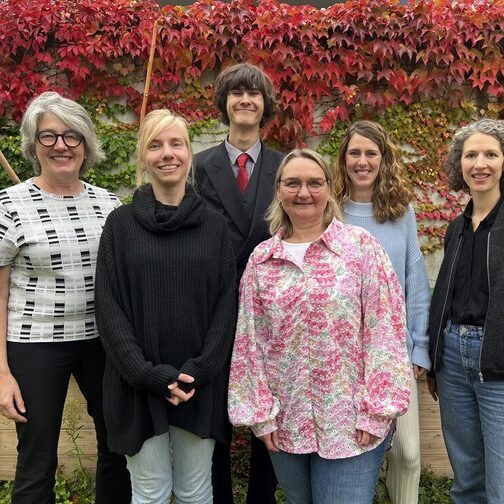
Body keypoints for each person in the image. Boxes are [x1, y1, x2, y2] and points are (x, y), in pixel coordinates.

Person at [228, 148, 411, 503]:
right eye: (292, 183)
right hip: (287, 423)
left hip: (351, 424)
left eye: (314, 183)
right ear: (279, 189)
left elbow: (385, 332)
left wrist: (377, 413)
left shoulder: (361, 249)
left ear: (329, 188)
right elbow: (249, 343)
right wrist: (261, 416)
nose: (304, 192)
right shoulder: (263, 260)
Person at [94, 109, 237, 504]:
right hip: (136, 385)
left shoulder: (214, 226)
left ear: (190, 153)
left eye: (176, 143)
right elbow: (109, 310)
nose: (166, 153)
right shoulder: (120, 226)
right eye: (155, 145)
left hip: (200, 385)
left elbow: (227, 308)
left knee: (195, 491)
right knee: (150, 492)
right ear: (143, 156)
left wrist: (198, 371)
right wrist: (148, 375)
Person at [0, 91, 131, 504]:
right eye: (49, 136)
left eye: (72, 136)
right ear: (33, 145)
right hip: (34, 345)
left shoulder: (109, 203)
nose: (61, 145)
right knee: (37, 455)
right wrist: (1, 373)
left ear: (86, 144)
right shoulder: (9, 205)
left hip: (101, 343)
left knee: (117, 444)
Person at [195, 62, 284, 504]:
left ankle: (263, 499)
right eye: (236, 93)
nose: (245, 99)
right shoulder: (196, 167)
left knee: (268, 409)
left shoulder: (288, 169)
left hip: (273, 312)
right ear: (224, 103)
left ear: (266, 105)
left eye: (254, 93)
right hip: (214, 310)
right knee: (217, 416)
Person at [333, 120, 431, 504]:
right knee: (354, 447)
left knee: (407, 454)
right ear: (343, 159)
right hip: (342, 357)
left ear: (383, 159)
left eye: (370, 153)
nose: (362, 161)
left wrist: (419, 348)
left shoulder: (400, 212)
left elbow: (416, 283)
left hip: (392, 352)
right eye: (354, 153)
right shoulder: (331, 211)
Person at [427, 119, 504, 504]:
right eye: (471, 155)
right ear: (460, 164)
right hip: (453, 360)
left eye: (491, 154)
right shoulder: (456, 227)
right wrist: (435, 355)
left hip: (498, 364)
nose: (480, 163)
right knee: (466, 480)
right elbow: (444, 293)